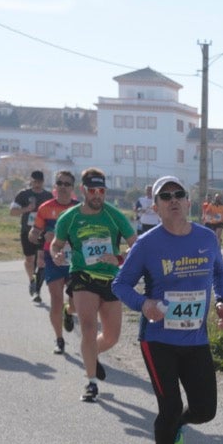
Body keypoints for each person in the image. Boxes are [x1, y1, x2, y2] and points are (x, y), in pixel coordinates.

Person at [114, 176, 223, 444]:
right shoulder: (147, 244)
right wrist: (143, 303)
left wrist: (221, 299)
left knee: (205, 411)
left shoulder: (206, 238)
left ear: (189, 202)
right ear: (156, 206)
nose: (173, 199)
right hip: (158, 339)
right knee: (169, 406)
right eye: (165, 196)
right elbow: (120, 284)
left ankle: (178, 426)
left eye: (179, 194)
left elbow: (219, 271)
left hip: (196, 339)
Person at [49, 168, 136, 402]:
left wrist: (118, 259)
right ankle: (91, 382)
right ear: (83, 191)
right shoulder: (70, 217)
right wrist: (56, 254)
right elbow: (56, 245)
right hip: (82, 275)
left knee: (112, 336)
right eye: (93, 191)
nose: (98, 195)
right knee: (88, 328)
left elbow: (135, 246)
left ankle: (89, 351)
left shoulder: (114, 215)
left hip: (109, 279)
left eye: (102, 191)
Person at [30, 170, 81, 354]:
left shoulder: (80, 208)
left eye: (67, 184)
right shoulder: (45, 208)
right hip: (53, 258)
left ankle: (69, 312)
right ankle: (59, 339)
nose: (63, 187)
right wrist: (42, 235)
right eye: (60, 183)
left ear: (73, 188)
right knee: (56, 299)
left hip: (75, 260)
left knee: (76, 303)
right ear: (55, 186)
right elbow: (34, 233)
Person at [10, 170, 52, 302]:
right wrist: (26, 209)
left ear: (43, 182)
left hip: (43, 233)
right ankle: (32, 280)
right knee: (29, 260)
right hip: (26, 232)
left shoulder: (48, 195)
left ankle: (37, 290)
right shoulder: (23, 194)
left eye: (39, 182)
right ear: (31, 181)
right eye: (34, 182)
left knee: (41, 260)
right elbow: (12, 212)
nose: (37, 185)